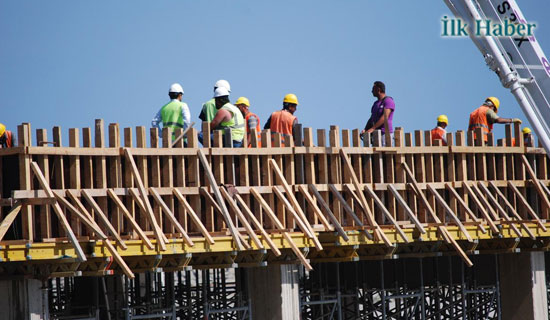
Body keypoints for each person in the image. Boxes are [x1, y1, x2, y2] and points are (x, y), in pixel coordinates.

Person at [361, 81, 395, 145]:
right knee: (376, 154)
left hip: (385, 134)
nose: (371, 91)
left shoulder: (388, 101)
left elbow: (385, 117)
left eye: (373, 89)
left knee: (384, 154)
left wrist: (372, 128)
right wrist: (366, 130)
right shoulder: (376, 103)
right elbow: (372, 118)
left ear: (378, 89)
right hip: (376, 134)